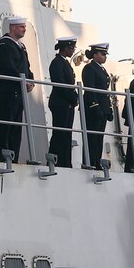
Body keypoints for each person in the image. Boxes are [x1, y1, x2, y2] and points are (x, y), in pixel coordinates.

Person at [0, 15, 33, 162]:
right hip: (8, 91)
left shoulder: (20, 46)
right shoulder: (4, 45)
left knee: (16, 126)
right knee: (6, 123)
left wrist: (30, 80)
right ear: (13, 28)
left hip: (19, 91)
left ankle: (13, 155)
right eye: (21, 27)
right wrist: (22, 81)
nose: (24, 30)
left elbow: (26, 67)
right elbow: (8, 67)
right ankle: (3, 154)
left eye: (25, 27)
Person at [47, 35, 78, 169]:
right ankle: (56, 159)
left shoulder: (65, 62)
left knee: (66, 133)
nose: (72, 51)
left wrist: (75, 97)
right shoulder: (57, 63)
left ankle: (65, 161)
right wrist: (73, 97)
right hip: (60, 102)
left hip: (67, 103)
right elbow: (60, 83)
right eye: (71, 48)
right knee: (60, 132)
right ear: (64, 48)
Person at [80, 42, 112, 169]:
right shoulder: (89, 68)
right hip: (94, 107)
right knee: (91, 137)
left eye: (105, 54)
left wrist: (108, 108)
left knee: (99, 137)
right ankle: (89, 161)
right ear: (95, 54)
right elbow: (90, 88)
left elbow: (105, 91)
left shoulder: (101, 69)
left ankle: (96, 161)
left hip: (102, 108)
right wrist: (95, 106)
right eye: (102, 54)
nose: (105, 57)